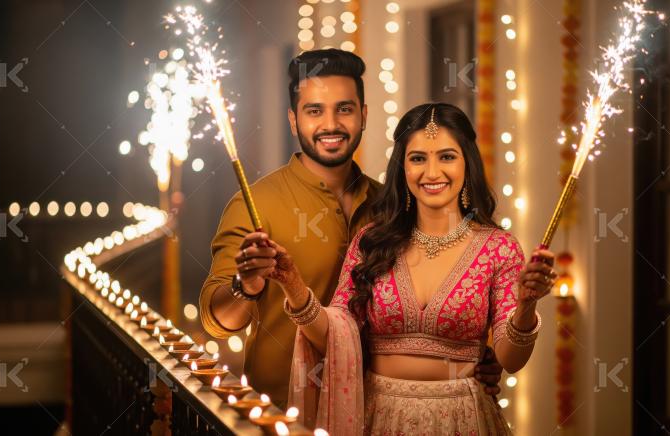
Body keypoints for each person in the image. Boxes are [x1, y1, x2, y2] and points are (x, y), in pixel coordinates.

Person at [198, 50, 504, 406]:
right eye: (315, 111)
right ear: (293, 120)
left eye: (344, 109)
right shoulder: (255, 204)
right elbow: (216, 321)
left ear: (364, 115)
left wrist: (468, 356)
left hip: (373, 410)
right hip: (283, 412)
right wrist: (245, 287)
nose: (331, 124)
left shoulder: (396, 205)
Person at [262, 103, 556, 434]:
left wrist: (527, 304)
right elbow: (332, 335)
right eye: (418, 158)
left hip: (463, 420)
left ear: (467, 163)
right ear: (402, 166)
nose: (432, 173)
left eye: (446, 156)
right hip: (378, 418)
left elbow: (511, 359)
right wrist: (292, 284)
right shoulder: (371, 243)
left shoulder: (498, 248)